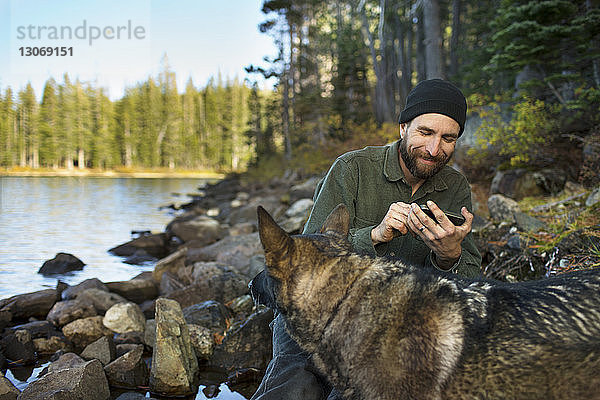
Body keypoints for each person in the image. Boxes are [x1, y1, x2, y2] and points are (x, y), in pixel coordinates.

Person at [250, 78, 482, 400]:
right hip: (317, 307)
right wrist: (375, 235)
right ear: (403, 127)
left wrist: (449, 256)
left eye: (448, 138)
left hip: (394, 320)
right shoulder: (353, 169)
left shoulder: (456, 188)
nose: (433, 149)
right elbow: (306, 263)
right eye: (425, 132)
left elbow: (471, 284)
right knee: (296, 384)